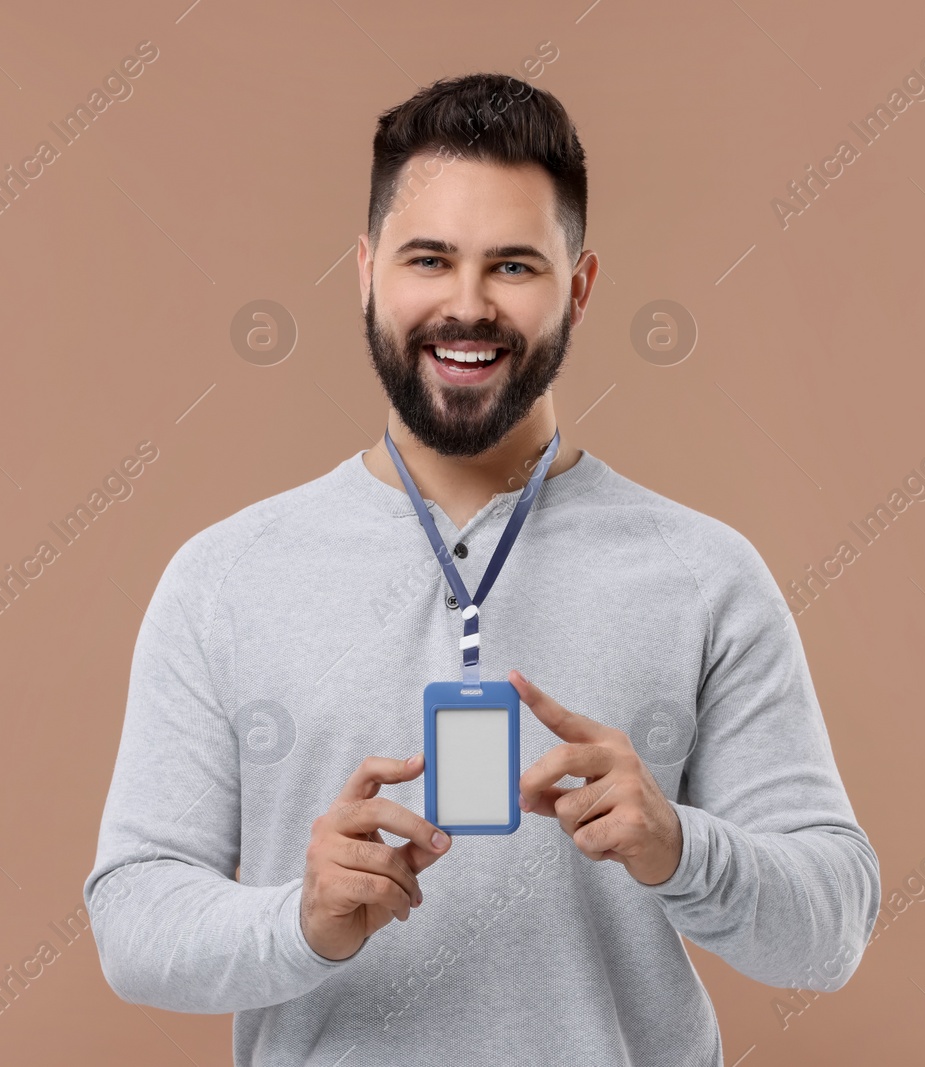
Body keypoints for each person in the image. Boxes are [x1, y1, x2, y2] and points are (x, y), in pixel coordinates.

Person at [84, 71, 880, 1066]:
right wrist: (303, 919)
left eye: (512, 265)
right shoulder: (224, 576)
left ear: (578, 286)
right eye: (430, 258)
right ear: (367, 271)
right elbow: (132, 917)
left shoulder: (705, 575)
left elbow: (833, 928)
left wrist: (678, 845)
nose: (467, 306)